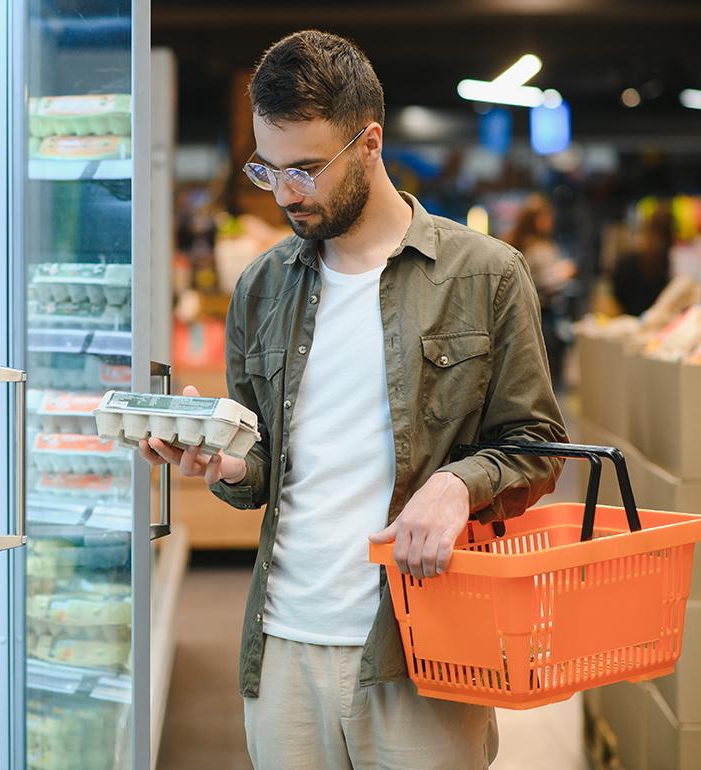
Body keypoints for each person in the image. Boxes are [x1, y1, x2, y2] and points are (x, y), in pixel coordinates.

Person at [138, 30, 566, 770]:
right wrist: (228, 467)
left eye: (305, 169)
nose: (284, 194)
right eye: (267, 169)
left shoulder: (485, 276)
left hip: (421, 653)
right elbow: (264, 469)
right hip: (282, 647)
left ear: (369, 143)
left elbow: (537, 448)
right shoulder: (262, 287)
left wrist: (457, 485)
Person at [503, 194, 576, 387]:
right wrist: (563, 272)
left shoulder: (511, 243)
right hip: (542, 312)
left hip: (519, 312)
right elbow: (540, 280)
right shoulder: (538, 247)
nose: (550, 221)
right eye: (546, 217)